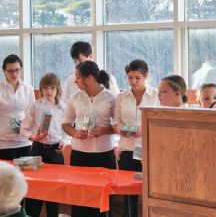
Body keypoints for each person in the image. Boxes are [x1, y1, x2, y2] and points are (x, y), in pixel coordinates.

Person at [62, 60, 116, 217]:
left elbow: (119, 127)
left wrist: (104, 130)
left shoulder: (110, 98)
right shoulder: (75, 97)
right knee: (80, 201)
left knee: (103, 203)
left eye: (78, 77)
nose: (75, 81)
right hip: (80, 155)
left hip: (104, 156)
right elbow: (65, 124)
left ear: (90, 78)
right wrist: (75, 133)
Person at [113, 59, 158, 217]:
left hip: (148, 149)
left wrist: (143, 130)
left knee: (150, 190)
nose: (133, 81)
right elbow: (116, 122)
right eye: (130, 77)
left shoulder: (156, 95)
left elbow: (158, 122)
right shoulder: (121, 97)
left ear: (146, 76)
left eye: (137, 78)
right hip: (127, 148)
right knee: (129, 193)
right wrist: (120, 130)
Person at [20, 73, 65, 217]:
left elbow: (68, 129)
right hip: (37, 149)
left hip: (56, 151)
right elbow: (23, 129)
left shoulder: (64, 107)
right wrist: (33, 136)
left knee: (55, 193)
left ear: (57, 89)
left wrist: (65, 141)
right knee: (34, 192)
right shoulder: (35, 105)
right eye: (45, 88)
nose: (48, 91)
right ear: (41, 89)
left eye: (52, 87)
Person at [0, 54, 35, 160]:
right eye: (10, 71)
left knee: (26, 175)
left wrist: (31, 131)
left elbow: (32, 115)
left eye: (17, 70)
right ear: (4, 71)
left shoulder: (28, 89)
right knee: (8, 175)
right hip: (5, 142)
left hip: (25, 140)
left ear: (21, 69)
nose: (14, 74)